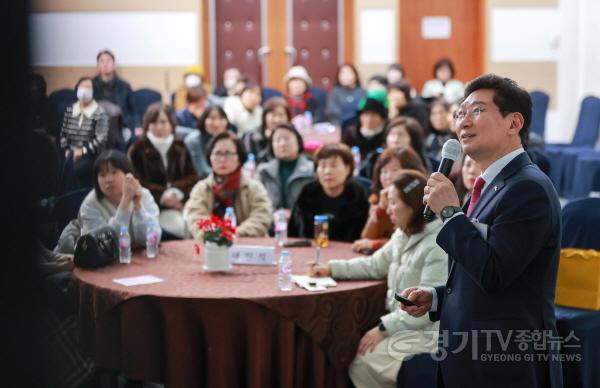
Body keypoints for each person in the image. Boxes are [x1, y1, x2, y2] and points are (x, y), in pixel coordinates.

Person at [400, 74, 563, 388]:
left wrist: (449, 212)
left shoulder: (528, 188)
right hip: (468, 358)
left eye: (476, 111)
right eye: (460, 113)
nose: (463, 121)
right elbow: (479, 264)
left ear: (513, 123)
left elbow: (494, 272)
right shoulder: (488, 187)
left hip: (506, 364)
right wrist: (436, 298)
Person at [309, 170, 447, 388]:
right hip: (403, 322)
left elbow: (427, 309)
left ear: (412, 206)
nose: (387, 210)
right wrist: (331, 269)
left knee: (363, 361)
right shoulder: (404, 233)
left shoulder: (437, 243)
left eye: (393, 202)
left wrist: (383, 328)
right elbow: (374, 265)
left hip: (427, 331)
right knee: (358, 354)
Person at [55, 150, 160, 253]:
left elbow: (152, 239)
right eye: (102, 175)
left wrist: (138, 207)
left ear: (129, 174)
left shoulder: (143, 194)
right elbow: (105, 246)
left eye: (114, 172)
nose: (109, 179)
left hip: (133, 259)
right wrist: (124, 203)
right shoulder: (90, 204)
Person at [183, 132, 272, 238]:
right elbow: (195, 217)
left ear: (239, 158)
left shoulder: (254, 188)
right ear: (210, 158)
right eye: (217, 153)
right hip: (210, 247)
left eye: (228, 154)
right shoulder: (201, 189)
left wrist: (232, 234)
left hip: (248, 247)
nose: (222, 159)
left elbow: (262, 217)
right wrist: (215, 236)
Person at [129, 103, 198, 238]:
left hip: (181, 204)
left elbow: (193, 177)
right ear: (147, 125)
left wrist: (176, 192)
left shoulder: (181, 146)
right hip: (153, 208)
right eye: (153, 122)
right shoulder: (137, 149)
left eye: (163, 122)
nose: (159, 127)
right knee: (179, 228)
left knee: (197, 226)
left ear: (171, 124)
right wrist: (162, 196)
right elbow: (136, 182)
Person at [288, 143, 369, 242]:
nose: (327, 171)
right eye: (322, 166)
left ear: (348, 169)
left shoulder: (357, 195)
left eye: (334, 166)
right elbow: (293, 232)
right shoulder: (307, 193)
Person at [353, 146, 426, 254]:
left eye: (395, 170)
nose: (388, 176)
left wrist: (378, 244)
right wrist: (381, 208)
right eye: (383, 171)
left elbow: (411, 241)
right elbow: (366, 237)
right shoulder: (376, 198)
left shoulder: (420, 200)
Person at [60, 76, 110, 188]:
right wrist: (67, 150)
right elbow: (63, 133)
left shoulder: (99, 112)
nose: (84, 89)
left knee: (79, 169)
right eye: (81, 86)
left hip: (91, 155)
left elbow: (101, 139)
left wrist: (82, 151)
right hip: (70, 153)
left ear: (94, 91)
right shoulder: (70, 109)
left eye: (88, 87)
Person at [256, 123, 314, 216]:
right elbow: (257, 203)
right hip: (271, 224)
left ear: (298, 142)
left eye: (287, 139)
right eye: (277, 140)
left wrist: (293, 215)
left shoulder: (312, 170)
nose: (282, 144)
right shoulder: (263, 171)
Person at [361, 116, 430, 178]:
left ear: (413, 139)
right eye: (392, 134)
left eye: (401, 135)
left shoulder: (420, 161)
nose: (395, 140)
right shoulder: (375, 158)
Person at [92, 49, 140, 134]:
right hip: (98, 127)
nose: (105, 64)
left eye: (108, 61)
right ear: (98, 65)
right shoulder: (91, 85)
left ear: (114, 65)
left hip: (122, 126)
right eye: (102, 61)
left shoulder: (125, 86)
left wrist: (137, 126)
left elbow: (133, 110)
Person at [184, 106, 232, 177]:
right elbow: (202, 171)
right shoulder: (194, 140)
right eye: (212, 118)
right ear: (204, 120)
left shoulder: (230, 139)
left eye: (221, 118)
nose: (217, 123)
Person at [242, 97, 291, 164]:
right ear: (264, 116)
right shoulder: (252, 136)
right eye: (273, 115)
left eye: (281, 115)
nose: (277, 119)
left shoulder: (292, 136)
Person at [342, 91, 388, 160]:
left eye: (373, 115)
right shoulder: (351, 133)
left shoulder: (387, 134)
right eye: (366, 115)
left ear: (381, 118)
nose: (369, 119)